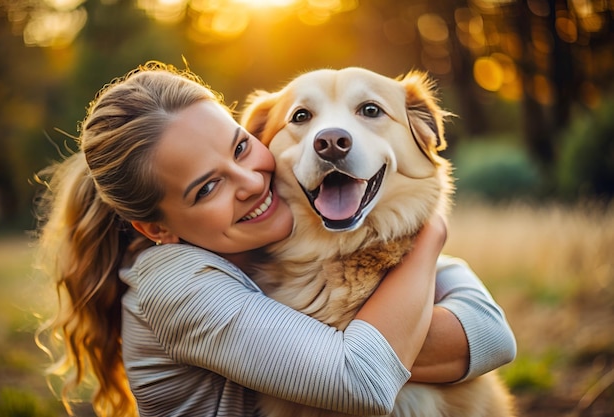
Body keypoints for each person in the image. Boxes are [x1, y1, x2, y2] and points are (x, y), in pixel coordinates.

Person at [34, 61, 515, 417]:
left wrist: (421, 243)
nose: (249, 182)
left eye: (241, 147)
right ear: (158, 228)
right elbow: (361, 377)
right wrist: (430, 240)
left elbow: (493, 334)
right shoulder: (178, 285)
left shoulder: (259, 246)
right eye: (207, 187)